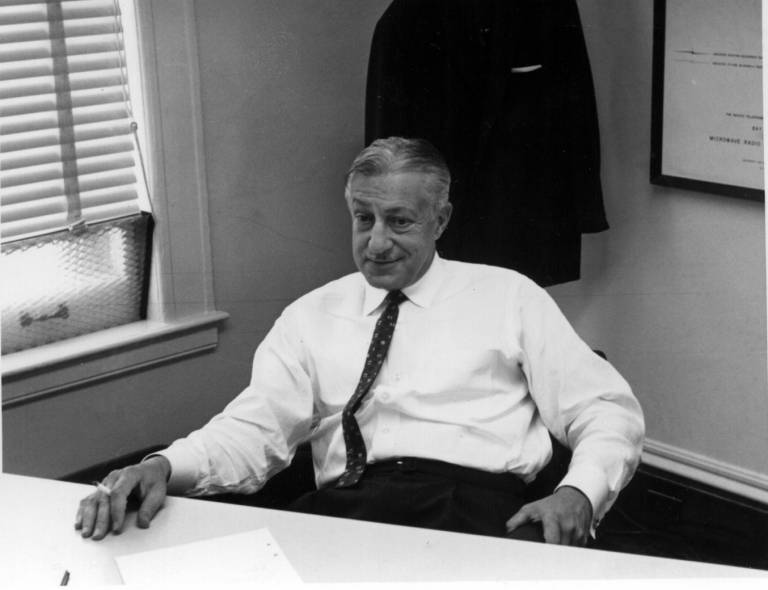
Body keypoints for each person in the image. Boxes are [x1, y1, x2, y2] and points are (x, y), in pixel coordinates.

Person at [75, 137, 644, 546]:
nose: (376, 243)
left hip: (473, 511)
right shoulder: (309, 316)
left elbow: (604, 409)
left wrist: (579, 493)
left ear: (441, 220)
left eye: (400, 221)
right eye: (363, 217)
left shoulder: (508, 296)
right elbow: (254, 428)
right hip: (345, 510)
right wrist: (163, 465)